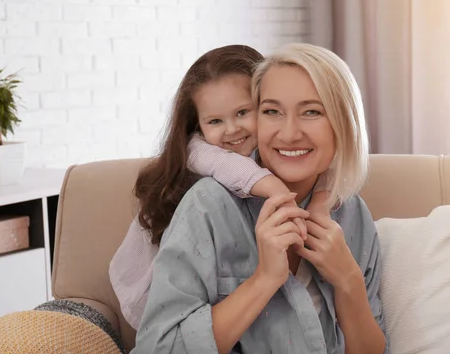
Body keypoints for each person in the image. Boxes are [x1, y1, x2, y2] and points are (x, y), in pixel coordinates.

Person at [131, 43, 388, 353]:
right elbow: (158, 349)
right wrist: (264, 279)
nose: (290, 133)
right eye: (272, 112)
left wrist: (348, 281)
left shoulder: (353, 214)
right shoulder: (208, 207)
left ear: (343, 123)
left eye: (311, 112)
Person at [109, 45, 331, 330]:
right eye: (215, 121)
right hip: (149, 290)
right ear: (198, 125)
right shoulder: (199, 151)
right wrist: (276, 189)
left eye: (242, 112)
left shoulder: (277, 150)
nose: (231, 130)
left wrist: (321, 201)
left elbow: (326, 160)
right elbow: (231, 167)